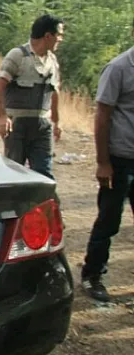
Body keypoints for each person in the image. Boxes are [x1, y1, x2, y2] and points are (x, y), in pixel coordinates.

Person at [80, 19, 134, 302]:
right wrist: (103, 161)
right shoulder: (119, 68)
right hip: (121, 158)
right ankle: (92, 275)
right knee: (109, 220)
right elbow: (102, 116)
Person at [0, 14, 63, 182]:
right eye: (58, 35)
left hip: (42, 126)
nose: (61, 39)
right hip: (17, 126)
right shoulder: (18, 55)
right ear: (48, 36)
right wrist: (2, 116)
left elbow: (54, 91)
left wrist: (56, 121)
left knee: (43, 174)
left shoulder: (52, 60)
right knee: (14, 172)